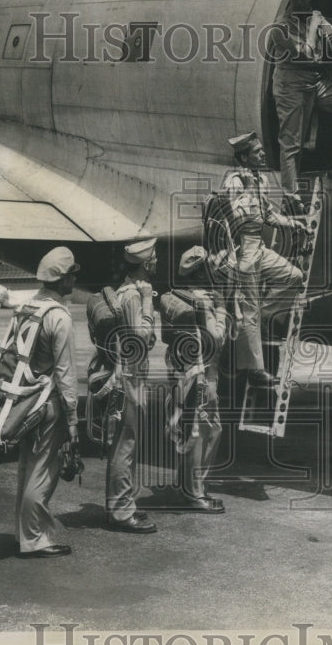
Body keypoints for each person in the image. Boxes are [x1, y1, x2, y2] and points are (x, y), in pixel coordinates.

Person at [223, 133, 306, 388]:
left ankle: (265, 313)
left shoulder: (262, 178)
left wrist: (293, 223)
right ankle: (256, 371)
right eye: (257, 152)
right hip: (244, 249)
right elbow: (230, 219)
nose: (262, 154)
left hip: (259, 245)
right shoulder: (234, 182)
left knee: (294, 276)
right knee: (249, 311)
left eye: (261, 150)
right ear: (244, 157)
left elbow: (268, 214)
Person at [15, 246, 81, 558]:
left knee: (28, 468)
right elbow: (66, 374)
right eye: (73, 275)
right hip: (47, 402)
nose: (75, 280)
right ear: (63, 280)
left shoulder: (26, 308)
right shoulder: (59, 317)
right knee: (43, 472)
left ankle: (26, 534)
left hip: (24, 401)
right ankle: (35, 540)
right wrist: (72, 419)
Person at [163, 246, 228, 513]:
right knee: (207, 430)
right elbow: (217, 339)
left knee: (191, 427)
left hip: (182, 373)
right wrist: (222, 309)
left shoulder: (180, 296)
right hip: (203, 376)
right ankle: (196, 493)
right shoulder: (206, 301)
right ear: (204, 271)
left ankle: (186, 485)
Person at [268, 0, 332, 192]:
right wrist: (313, 26)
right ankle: (291, 196)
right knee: (291, 145)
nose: (300, 1)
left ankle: (324, 156)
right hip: (291, 86)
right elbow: (307, 54)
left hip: (316, 83)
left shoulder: (317, 19)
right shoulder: (280, 28)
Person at [106, 238, 159, 534]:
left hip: (127, 373)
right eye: (155, 258)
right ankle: (122, 512)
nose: (158, 262)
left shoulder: (127, 291)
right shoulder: (135, 295)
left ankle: (119, 504)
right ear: (146, 263)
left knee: (123, 444)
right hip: (130, 376)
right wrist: (150, 302)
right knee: (126, 445)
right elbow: (141, 336)